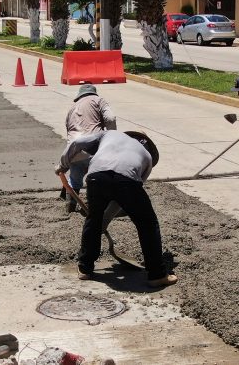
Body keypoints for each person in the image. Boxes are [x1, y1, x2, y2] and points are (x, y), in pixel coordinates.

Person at [56, 130, 177, 288]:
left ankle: (85, 268)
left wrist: (62, 165)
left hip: (96, 176)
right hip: (126, 180)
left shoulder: (110, 134)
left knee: (93, 219)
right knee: (147, 223)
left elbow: (76, 142)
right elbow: (122, 199)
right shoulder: (147, 157)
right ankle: (157, 274)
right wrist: (107, 218)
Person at [63, 84, 117, 213]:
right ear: (94, 93)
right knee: (104, 175)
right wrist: (112, 137)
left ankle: (70, 207)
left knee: (74, 179)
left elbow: (68, 130)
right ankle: (102, 206)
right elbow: (110, 118)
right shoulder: (98, 100)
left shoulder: (72, 108)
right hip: (92, 147)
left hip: (73, 149)